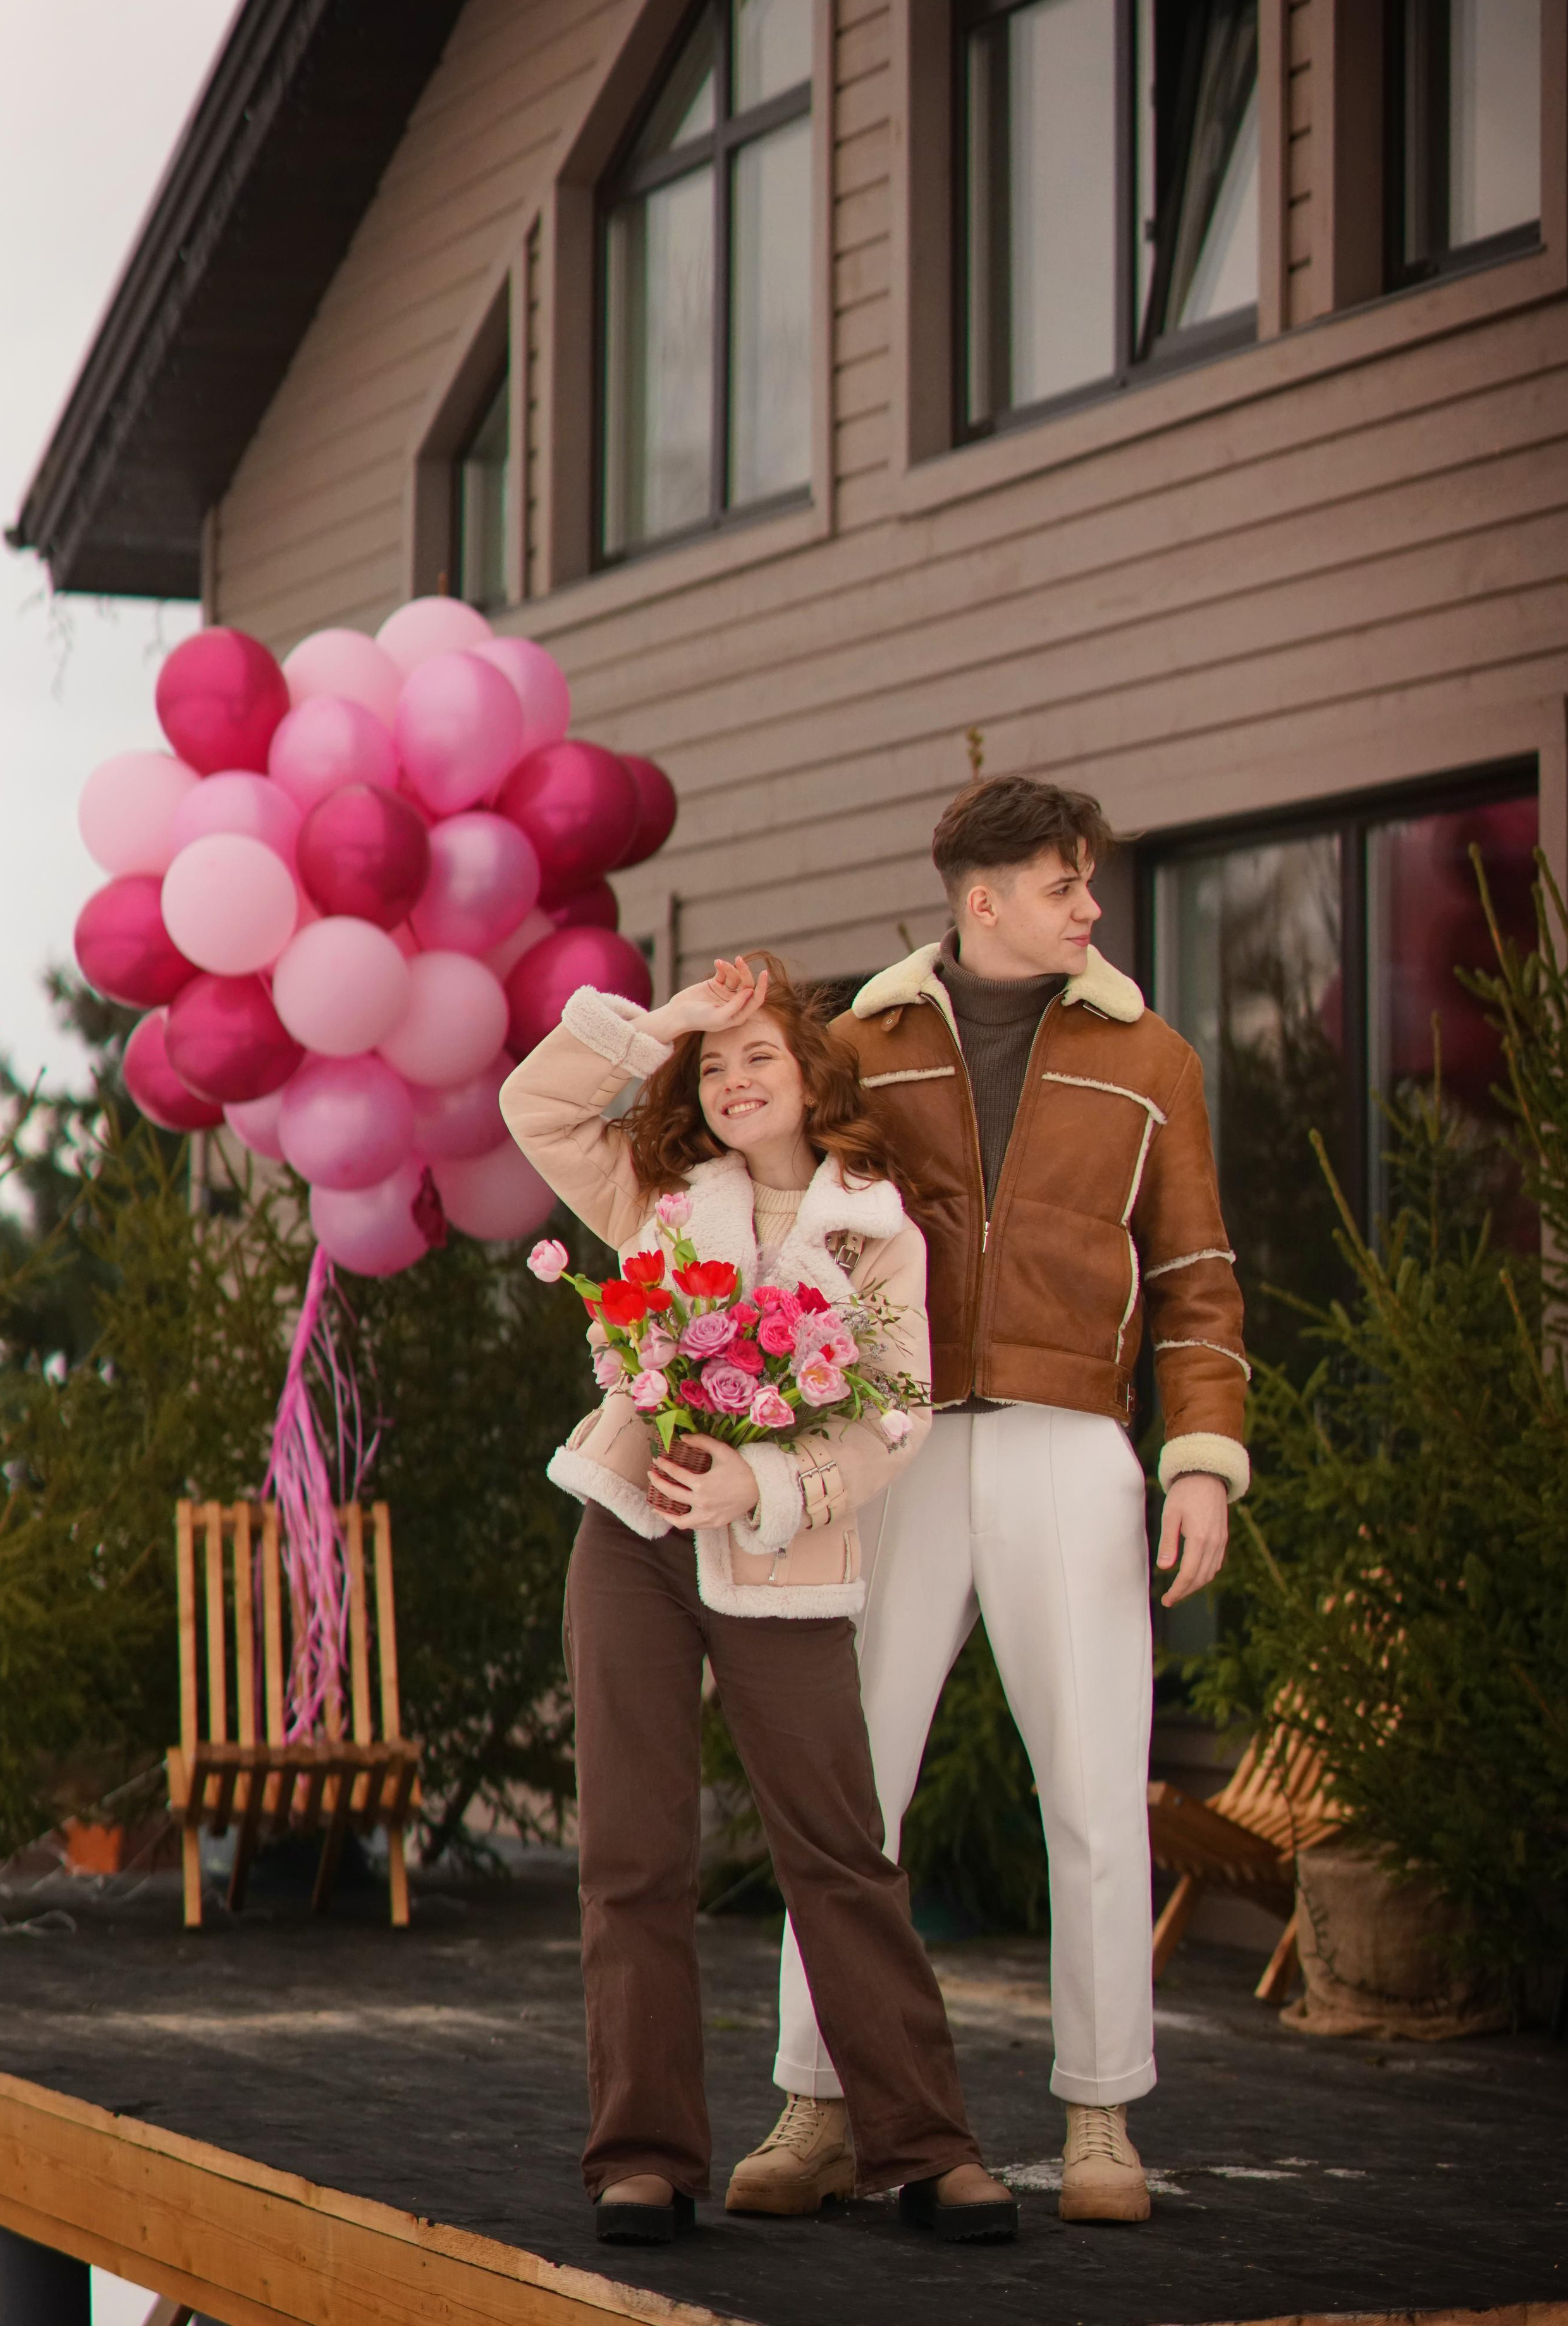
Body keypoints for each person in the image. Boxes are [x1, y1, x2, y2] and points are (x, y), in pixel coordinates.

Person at [726, 777, 1249, 2227]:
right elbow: (771, 1210)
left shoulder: (1151, 1058)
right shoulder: (855, 1046)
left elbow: (1198, 1279)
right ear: (983, 899)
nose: (1089, 906)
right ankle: (815, 2102)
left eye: (1087, 883)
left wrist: (1200, 1457)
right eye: (1064, 883)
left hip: (1069, 1441)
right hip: (888, 1447)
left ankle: (1098, 2118)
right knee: (849, 1790)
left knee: (1091, 1789)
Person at [499, 954, 1015, 2247]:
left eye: (756, 1058)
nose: (732, 1079)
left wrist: (763, 1477)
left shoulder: (874, 1226)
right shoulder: (662, 1195)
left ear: (808, 1079)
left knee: (837, 1850)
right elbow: (539, 1109)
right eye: (713, 1065)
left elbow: (896, 1417)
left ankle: (927, 2147)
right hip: (631, 1534)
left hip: (779, 1556)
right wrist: (659, 1026)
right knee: (631, 1850)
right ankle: (642, 2155)